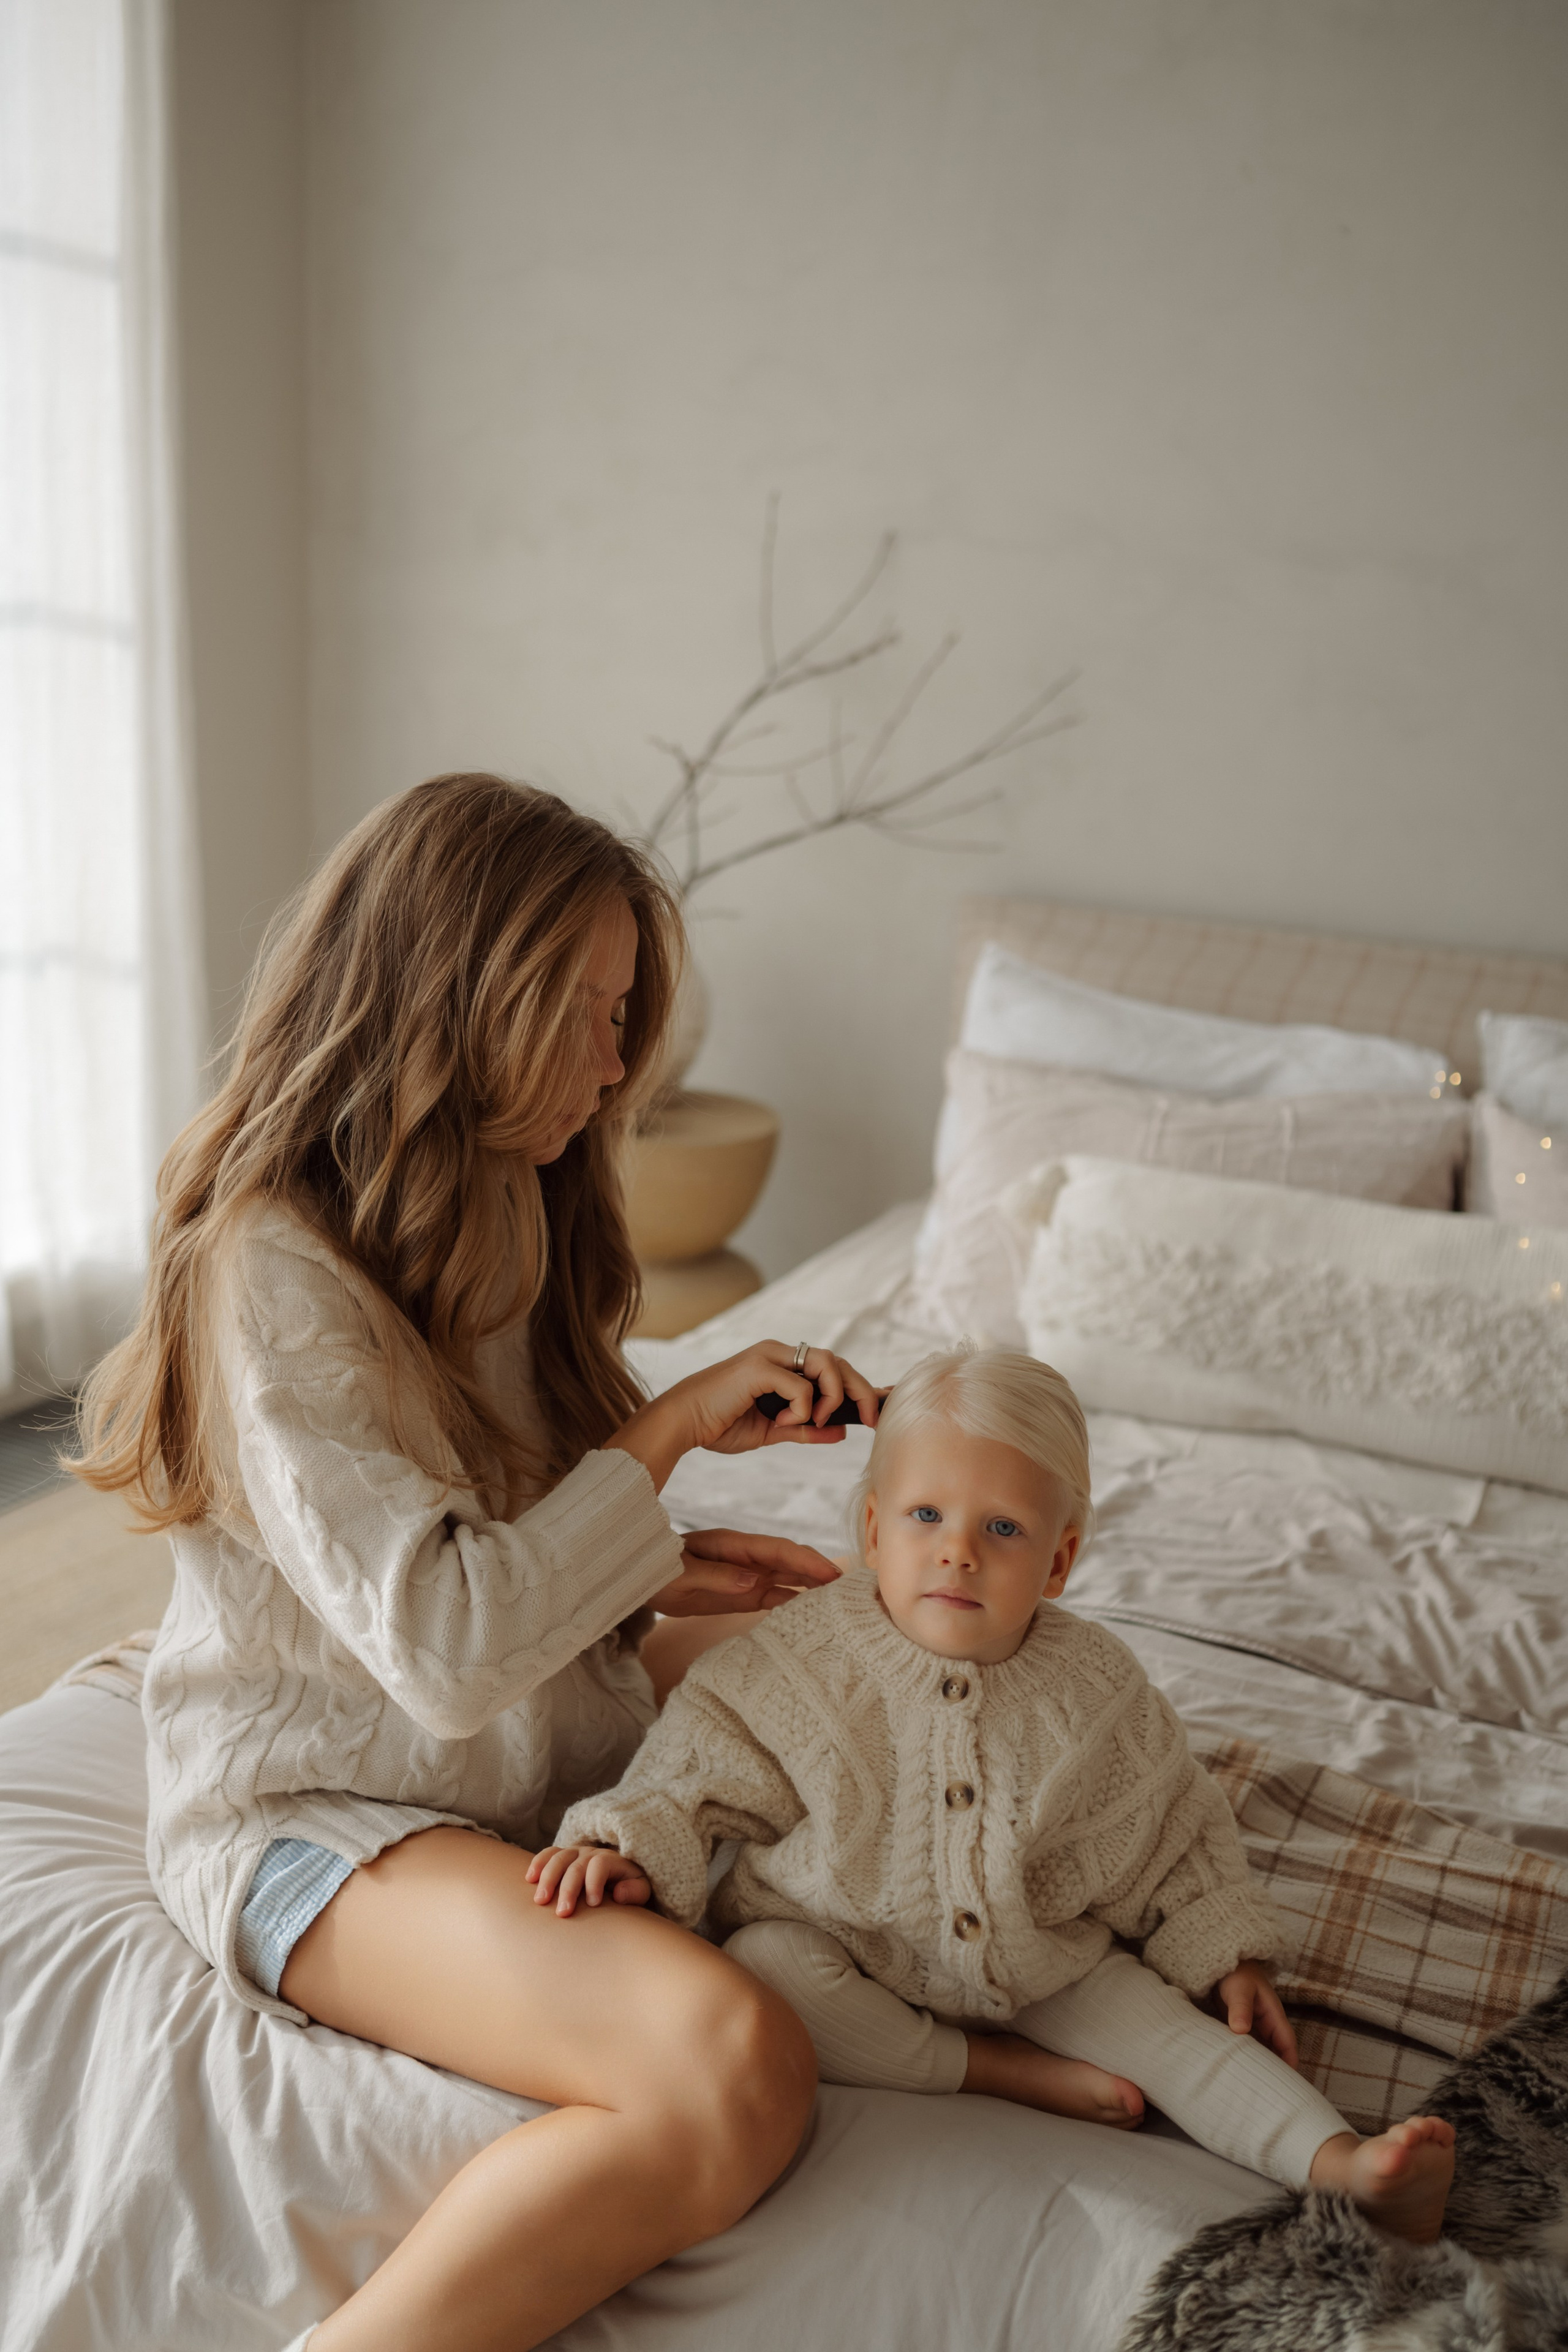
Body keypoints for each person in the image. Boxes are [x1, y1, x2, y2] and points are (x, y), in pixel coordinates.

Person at [73, 773, 887, 2352]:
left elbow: (483, 1531)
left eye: (621, 1013)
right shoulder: (268, 1266)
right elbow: (443, 1648)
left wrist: (649, 1576)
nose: (617, 1063)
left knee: (880, 1655)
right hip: (320, 1808)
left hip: (508, 1741)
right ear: (454, 994)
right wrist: (668, 1438)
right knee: (733, 2068)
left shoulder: (509, 1189)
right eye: (582, 1012)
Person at [534, 1343, 1457, 2245]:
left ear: (1058, 1562)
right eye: (925, 1515)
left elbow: (1172, 1826)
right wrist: (627, 1846)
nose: (958, 1553)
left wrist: (1227, 1952)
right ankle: (989, 2070)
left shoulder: (1097, 1689)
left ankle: (1343, 2165)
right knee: (765, 1969)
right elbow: (697, 1765)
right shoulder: (804, 1658)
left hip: (1036, 1952)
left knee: (1174, 2035)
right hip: (846, 1938)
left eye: (1004, 1529)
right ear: (873, 1532)